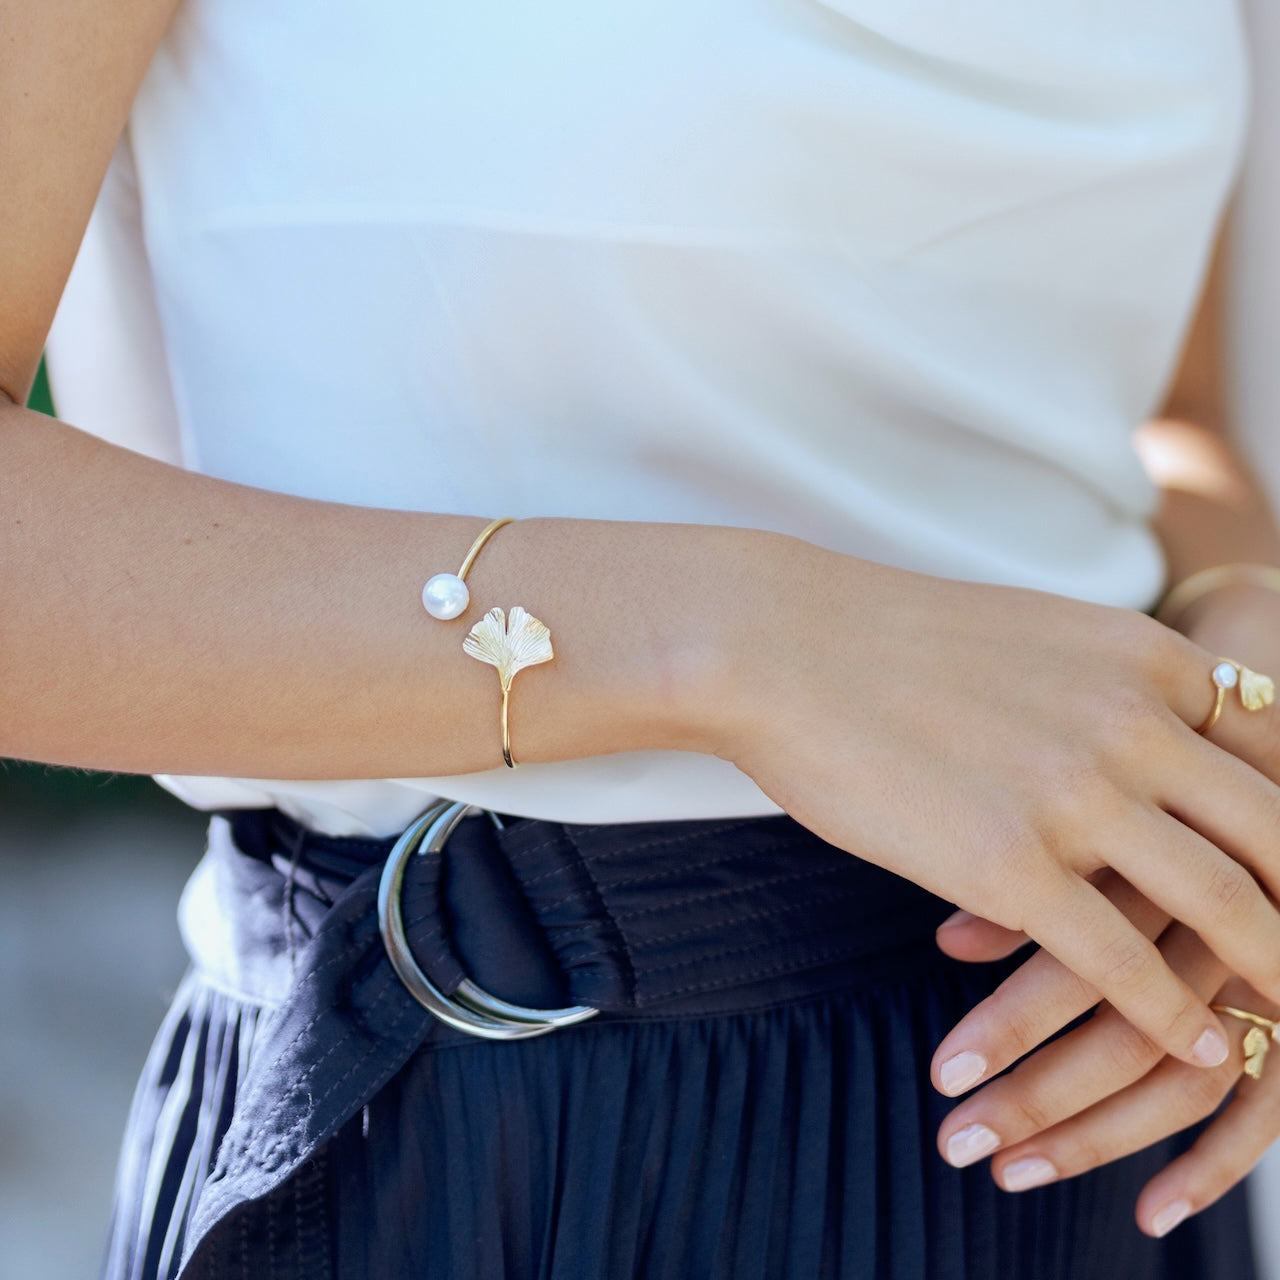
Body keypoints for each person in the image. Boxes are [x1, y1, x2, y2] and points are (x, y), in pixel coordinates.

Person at [5, 0, 1280, 1276]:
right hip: (514, 1114)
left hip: (1077, 1079)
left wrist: (1243, 649)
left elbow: (1154, 412)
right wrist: (739, 643)